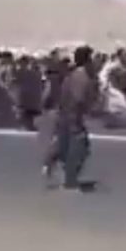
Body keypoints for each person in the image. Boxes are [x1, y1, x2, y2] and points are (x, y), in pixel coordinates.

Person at [44, 46, 99, 191]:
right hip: (72, 117)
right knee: (79, 148)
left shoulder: (74, 74)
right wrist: (83, 114)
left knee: (66, 146)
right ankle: (69, 180)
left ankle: (51, 164)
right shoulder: (81, 76)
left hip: (65, 116)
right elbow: (78, 99)